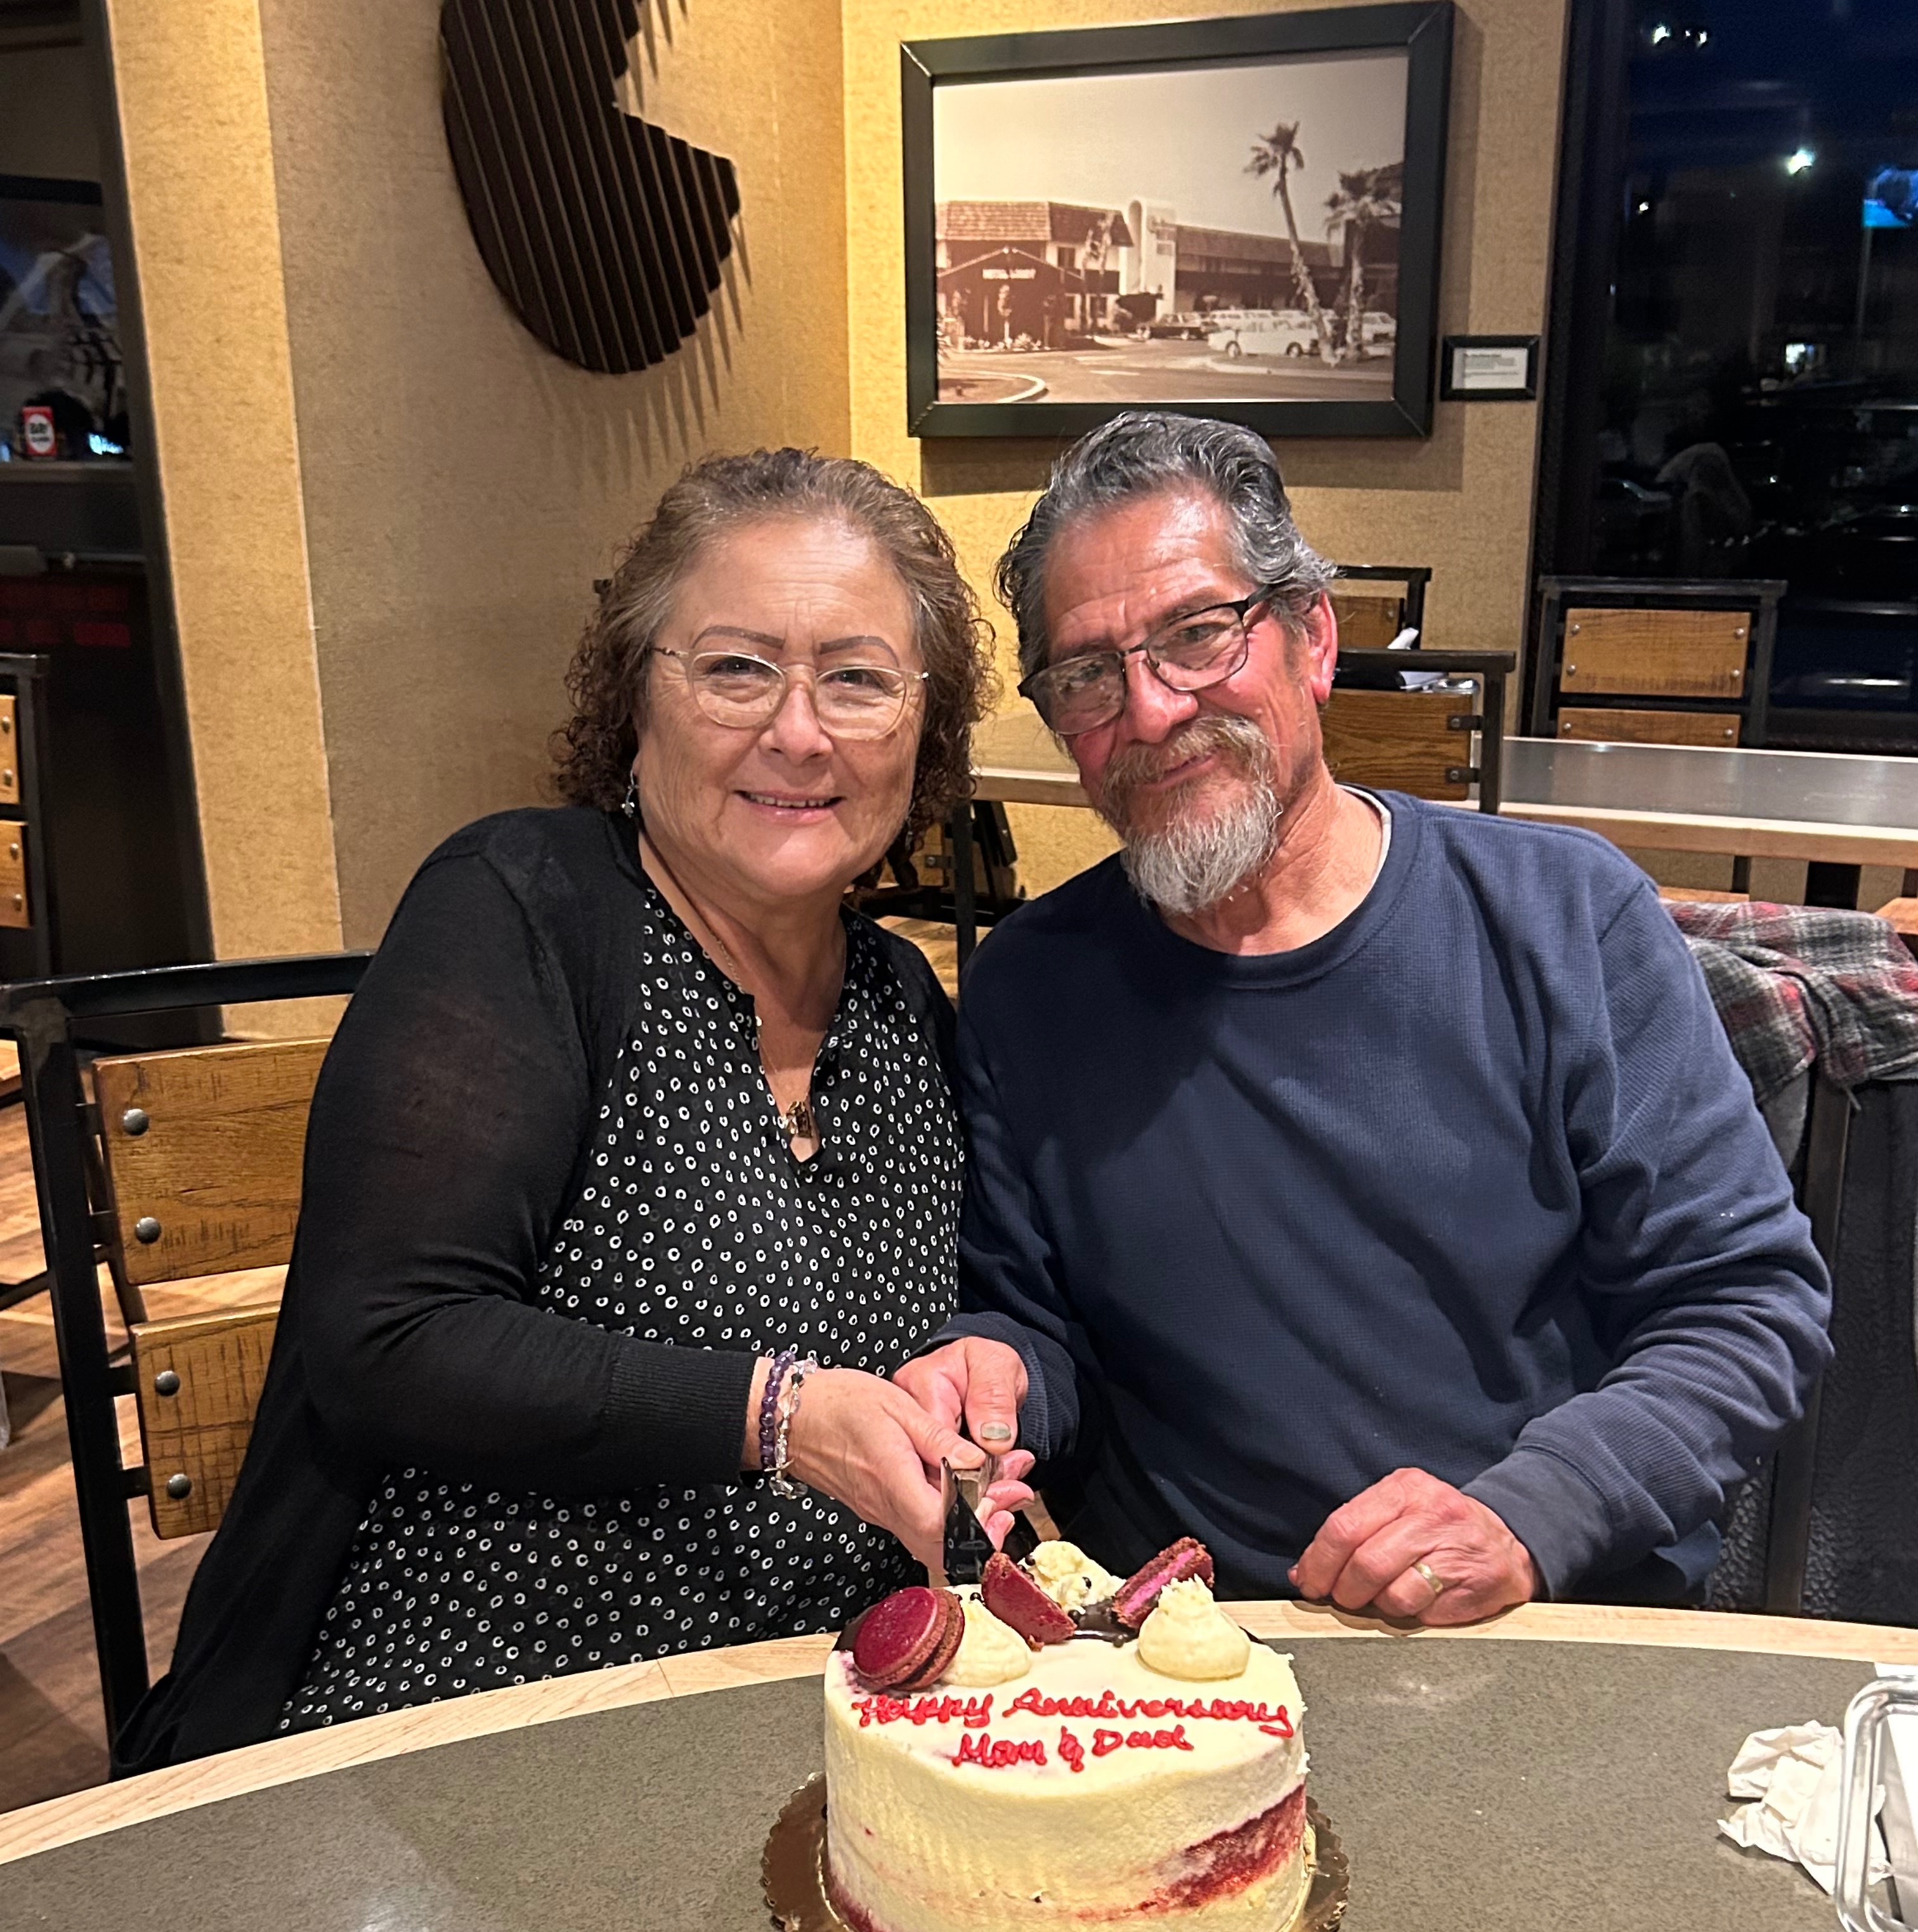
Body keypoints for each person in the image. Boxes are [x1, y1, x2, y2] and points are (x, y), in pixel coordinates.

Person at [117, 447, 1022, 1771]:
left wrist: (968, 1384)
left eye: (858, 679)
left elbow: (925, 1336)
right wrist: (776, 1414)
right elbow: (385, 1340)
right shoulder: (524, 908)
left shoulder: (903, 1001)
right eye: (736, 669)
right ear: (634, 694)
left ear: (923, 732)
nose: (799, 731)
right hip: (482, 1707)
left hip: (835, 1716)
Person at [897, 412, 1830, 1624]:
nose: (1152, 710)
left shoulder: (1566, 918)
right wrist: (998, 1375)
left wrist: (1535, 1514)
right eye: (1086, 676)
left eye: (1198, 635)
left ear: (1314, 640)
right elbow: (1036, 1325)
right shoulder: (1030, 986)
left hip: (1544, 1614)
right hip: (1194, 1647)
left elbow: (1746, 1304)